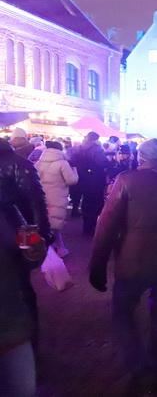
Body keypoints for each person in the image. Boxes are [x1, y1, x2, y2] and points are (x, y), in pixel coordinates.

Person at [89, 139, 157, 393]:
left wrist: (97, 266)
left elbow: (106, 226)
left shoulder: (126, 180)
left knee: (123, 314)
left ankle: (138, 368)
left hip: (133, 261)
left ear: (141, 158)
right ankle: (156, 368)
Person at [0, 138, 51, 352]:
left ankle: (28, 343)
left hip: (16, 229)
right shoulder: (20, 163)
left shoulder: (18, 164)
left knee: (20, 286)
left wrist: (40, 235)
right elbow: (36, 200)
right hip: (19, 229)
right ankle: (29, 343)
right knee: (21, 287)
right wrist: (42, 233)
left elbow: (35, 201)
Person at [0, 212, 46, 397]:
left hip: (10, 327)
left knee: (23, 390)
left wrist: (34, 252)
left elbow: (25, 251)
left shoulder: (6, 208)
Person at [35, 141, 78, 258]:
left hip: (42, 196)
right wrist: (74, 169)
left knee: (46, 222)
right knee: (55, 225)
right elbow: (72, 180)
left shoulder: (39, 162)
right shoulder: (62, 163)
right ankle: (58, 249)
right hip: (57, 197)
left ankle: (52, 248)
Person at [72, 132, 109, 237]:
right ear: (95, 139)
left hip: (83, 179)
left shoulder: (79, 148)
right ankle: (91, 228)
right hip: (95, 180)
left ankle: (86, 228)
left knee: (86, 203)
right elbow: (102, 163)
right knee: (95, 204)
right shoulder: (96, 149)